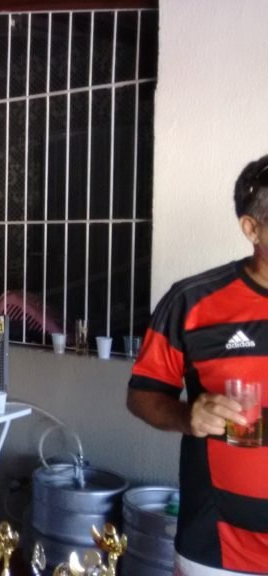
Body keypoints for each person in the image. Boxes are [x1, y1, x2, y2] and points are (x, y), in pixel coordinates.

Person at [127, 154, 268, 575]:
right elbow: (142, 397)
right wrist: (187, 416)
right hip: (219, 550)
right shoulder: (192, 302)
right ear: (252, 228)